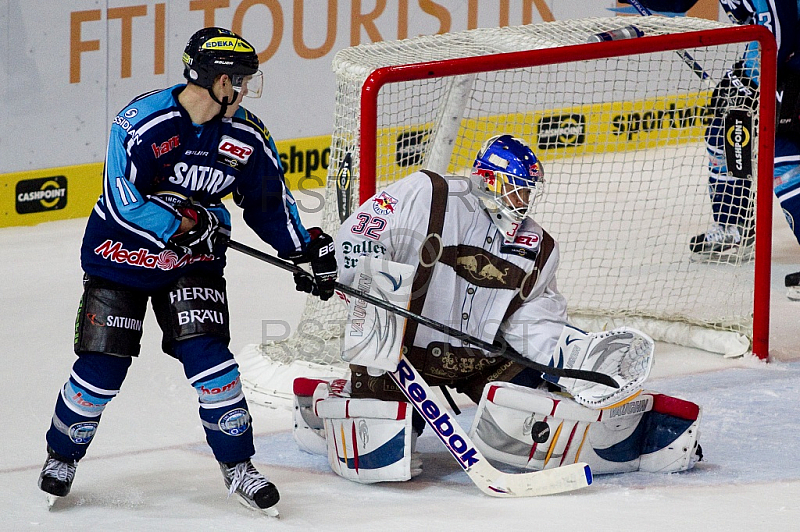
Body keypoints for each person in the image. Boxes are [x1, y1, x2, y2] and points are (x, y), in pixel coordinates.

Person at [38, 27, 337, 515]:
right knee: (102, 368)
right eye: (238, 82)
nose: (243, 91)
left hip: (193, 264)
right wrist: (181, 221)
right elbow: (122, 200)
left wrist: (305, 250)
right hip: (121, 257)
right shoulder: (142, 123)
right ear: (217, 81)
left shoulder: (247, 135)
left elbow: (266, 203)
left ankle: (238, 467)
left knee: (212, 364)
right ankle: (61, 456)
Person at [291, 135, 703, 483]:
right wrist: (359, 278)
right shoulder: (427, 194)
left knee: (533, 425)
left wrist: (569, 353)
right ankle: (322, 407)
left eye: (528, 190)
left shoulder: (537, 246)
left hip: (479, 359)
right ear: (489, 179)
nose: (524, 200)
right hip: (398, 349)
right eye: (517, 187)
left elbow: (532, 317)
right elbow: (364, 234)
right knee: (379, 452)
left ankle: (635, 439)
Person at [634, 1, 800, 295]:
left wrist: (754, 83)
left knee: (786, 158)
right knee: (725, 133)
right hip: (769, 60)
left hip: (789, 62)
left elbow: (781, 30)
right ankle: (733, 227)